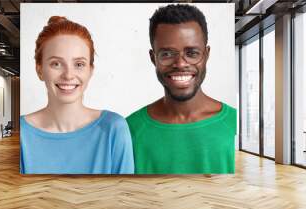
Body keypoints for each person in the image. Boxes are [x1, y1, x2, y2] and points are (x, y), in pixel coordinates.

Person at [126, 4, 237, 174]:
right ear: (153, 58)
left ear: (206, 55)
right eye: (167, 54)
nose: (180, 64)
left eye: (192, 53)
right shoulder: (128, 129)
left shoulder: (234, 123)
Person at [20, 16, 134, 174]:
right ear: (39, 70)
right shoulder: (22, 134)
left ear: (90, 70)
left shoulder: (113, 128)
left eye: (79, 64)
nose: (68, 75)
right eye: (56, 64)